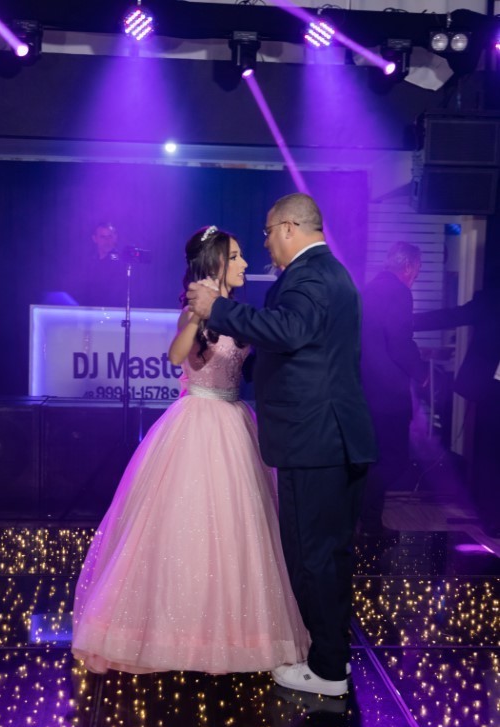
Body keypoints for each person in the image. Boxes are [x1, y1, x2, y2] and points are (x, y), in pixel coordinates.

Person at [72, 225, 309, 675]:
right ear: (216, 263)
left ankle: (233, 635)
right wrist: (199, 316)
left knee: (239, 528)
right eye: (235, 257)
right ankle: (170, 634)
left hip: (235, 420)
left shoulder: (238, 311)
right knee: (186, 526)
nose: (243, 264)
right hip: (198, 421)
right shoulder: (194, 310)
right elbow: (175, 356)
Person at [187, 193, 376, 697]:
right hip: (329, 437)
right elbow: (304, 347)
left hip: (315, 440)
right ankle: (331, 659)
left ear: (290, 228)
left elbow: (291, 330)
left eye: (269, 232)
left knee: (313, 557)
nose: (266, 242)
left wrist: (219, 309)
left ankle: (328, 670)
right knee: (328, 555)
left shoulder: (310, 275)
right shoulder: (327, 272)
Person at [414, 285, 500, 536]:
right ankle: (492, 517)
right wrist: (406, 321)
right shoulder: (494, 298)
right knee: (491, 453)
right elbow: (453, 316)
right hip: (494, 388)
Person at [359, 242, 428, 537]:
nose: (417, 275)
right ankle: (360, 509)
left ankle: (371, 524)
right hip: (388, 395)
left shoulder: (368, 290)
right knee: (396, 459)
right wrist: (421, 372)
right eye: (418, 268)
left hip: (364, 390)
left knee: (374, 458)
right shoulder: (399, 292)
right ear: (409, 266)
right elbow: (400, 342)